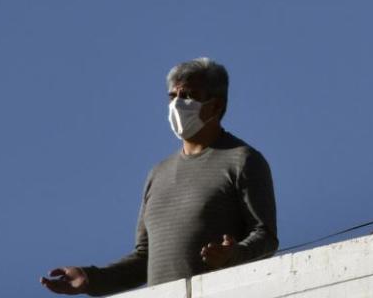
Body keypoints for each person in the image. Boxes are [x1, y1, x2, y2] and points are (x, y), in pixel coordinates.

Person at [41, 58, 277, 295]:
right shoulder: (158, 174)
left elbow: (265, 237)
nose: (177, 104)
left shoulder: (242, 160)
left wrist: (233, 255)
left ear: (215, 106)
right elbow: (145, 259)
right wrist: (91, 279)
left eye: (188, 96)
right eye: (172, 96)